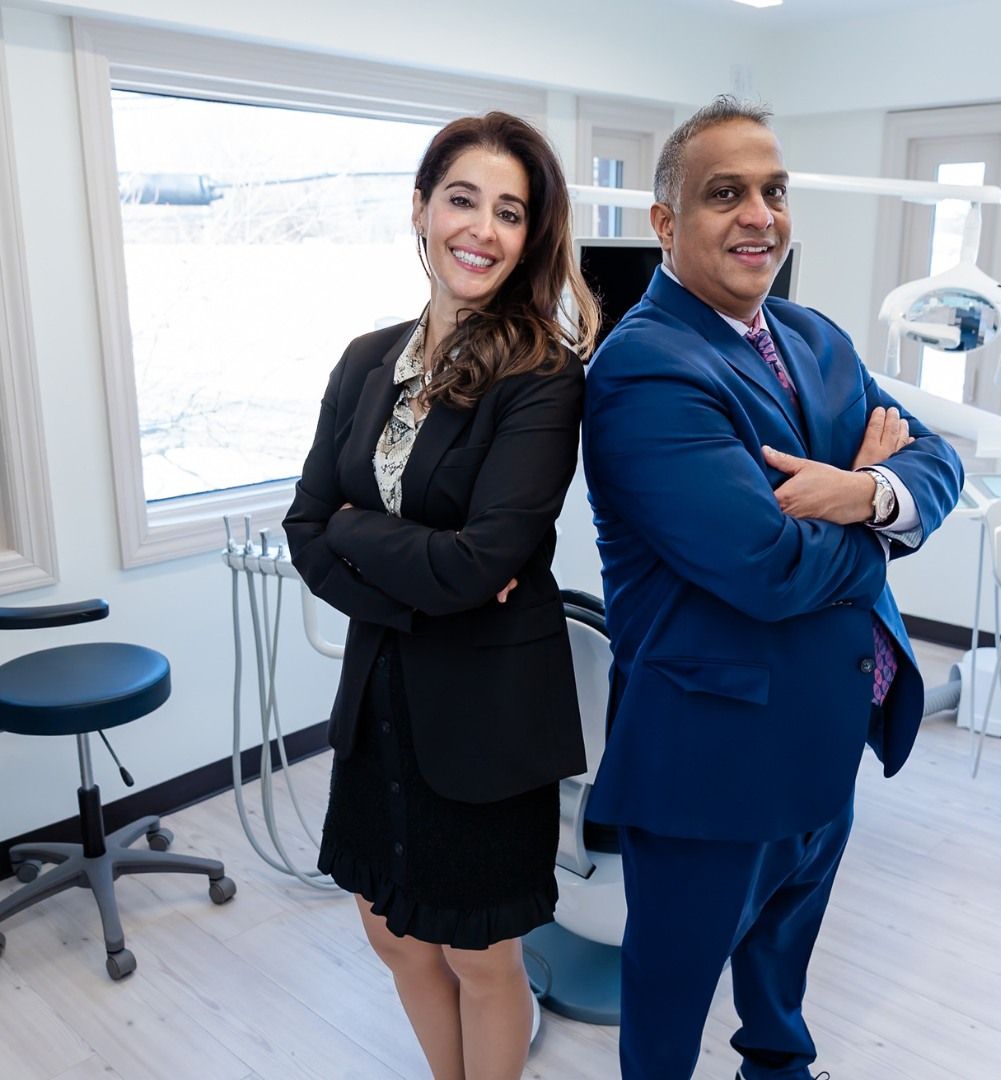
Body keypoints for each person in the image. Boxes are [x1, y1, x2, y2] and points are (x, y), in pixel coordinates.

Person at [581, 96, 963, 1080]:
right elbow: (769, 567)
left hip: (825, 730)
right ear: (665, 222)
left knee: (782, 975)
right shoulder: (644, 369)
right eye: (725, 194)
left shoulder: (814, 337)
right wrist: (873, 507)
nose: (760, 215)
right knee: (669, 1007)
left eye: (774, 191)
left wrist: (860, 491)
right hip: (712, 760)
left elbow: (938, 460)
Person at [283, 112, 599, 1080]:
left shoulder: (542, 376)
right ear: (421, 208)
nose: (483, 229)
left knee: (481, 955)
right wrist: (419, 575)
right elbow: (305, 528)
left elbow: (483, 559)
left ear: (529, 236)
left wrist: (357, 533)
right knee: (393, 934)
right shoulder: (365, 360)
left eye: (510, 211)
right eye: (463, 199)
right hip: (381, 701)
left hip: (486, 719)